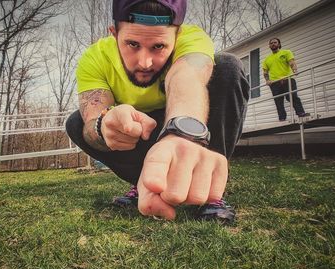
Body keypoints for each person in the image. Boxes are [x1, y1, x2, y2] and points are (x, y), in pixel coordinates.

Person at [66, 0, 249, 224]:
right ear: (114, 34)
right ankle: (145, 182)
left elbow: (187, 77)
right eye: (132, 44)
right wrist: (104, 124)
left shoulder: (192, 38)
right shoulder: (94, 57)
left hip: (183, 127)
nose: (145, 62)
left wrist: (183, 132)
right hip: (138, 132)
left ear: (177, 34)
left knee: (228, 67)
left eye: (158, 46)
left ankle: (211, 190)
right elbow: (93, 112)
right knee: (77, 123)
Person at [263, 38, 309, 121]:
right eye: (271, 43)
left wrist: (295, 70)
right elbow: (265, 72)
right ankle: (282, 118)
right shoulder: (267, 59)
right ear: (269, 46)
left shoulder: (286, 52)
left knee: (292, 96)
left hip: (287, 79)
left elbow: (292, 62)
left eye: (275, 42)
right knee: (278, 101)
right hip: (274, 83)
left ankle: (301, 113)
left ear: (279, 44)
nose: (273, 44)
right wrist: (267, 80)